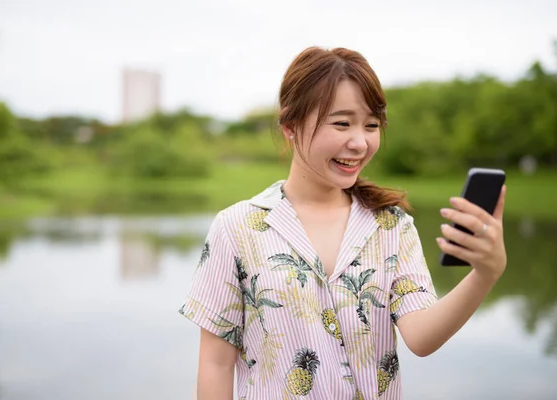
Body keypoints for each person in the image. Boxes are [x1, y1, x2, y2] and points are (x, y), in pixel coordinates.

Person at [178, 46, 507, 400]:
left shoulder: (392, 227)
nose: (360, 142)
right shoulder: (237, 227)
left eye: (371, 125)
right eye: (342, 123)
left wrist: (485, 274)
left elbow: (421, 338)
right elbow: (215, 364)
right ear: (290, 126)